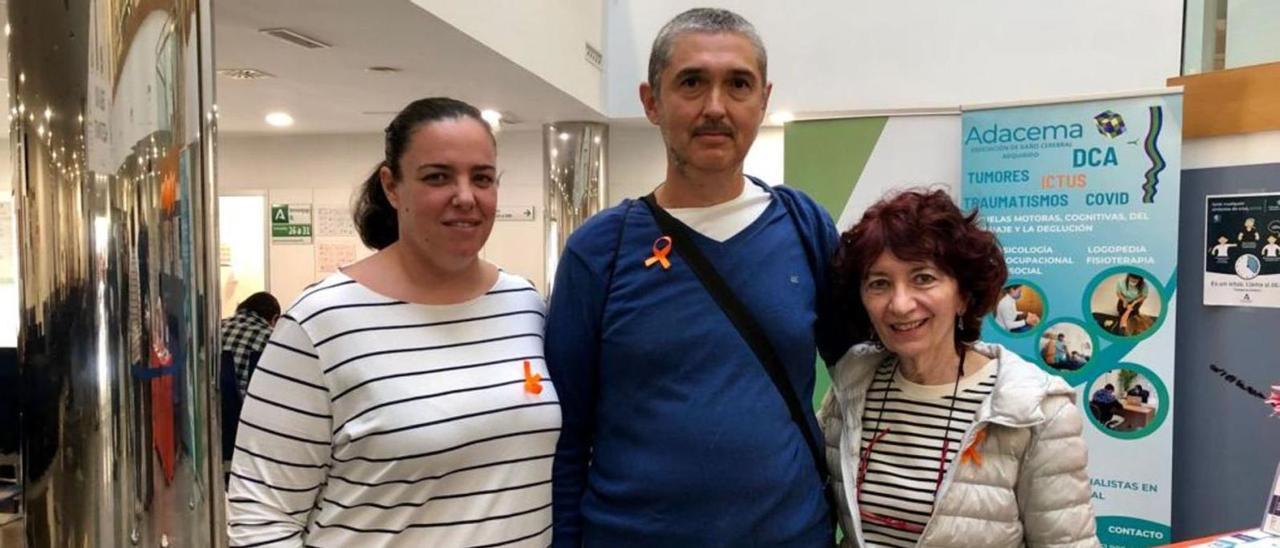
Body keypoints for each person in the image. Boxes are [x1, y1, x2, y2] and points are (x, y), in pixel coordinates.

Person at [546, 8, 853, 546]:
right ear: (651, 102)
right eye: (692, 82)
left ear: (763, 99)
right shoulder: (600, 249)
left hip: (791, 534)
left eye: (738, 84)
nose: (716, 107)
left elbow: (865, 371)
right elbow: (566, 437)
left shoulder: (805, 227)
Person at [226, 97, 560, 547]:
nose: (465, 197)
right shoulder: (321, 322)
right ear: (392, 186)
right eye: (437, 177)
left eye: (481, 178)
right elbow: (260, 515)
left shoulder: (524, 306)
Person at [817, 189, 1098, 547]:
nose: (900, 304)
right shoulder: (851, 388)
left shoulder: (1036, 412)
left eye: (923, 278)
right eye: (879, 284)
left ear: (963, 294)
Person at [220, 292, 281, 398]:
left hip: (215, 409)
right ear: (275, 319)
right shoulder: (273, 338)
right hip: (251, 409)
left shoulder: (217, 328)